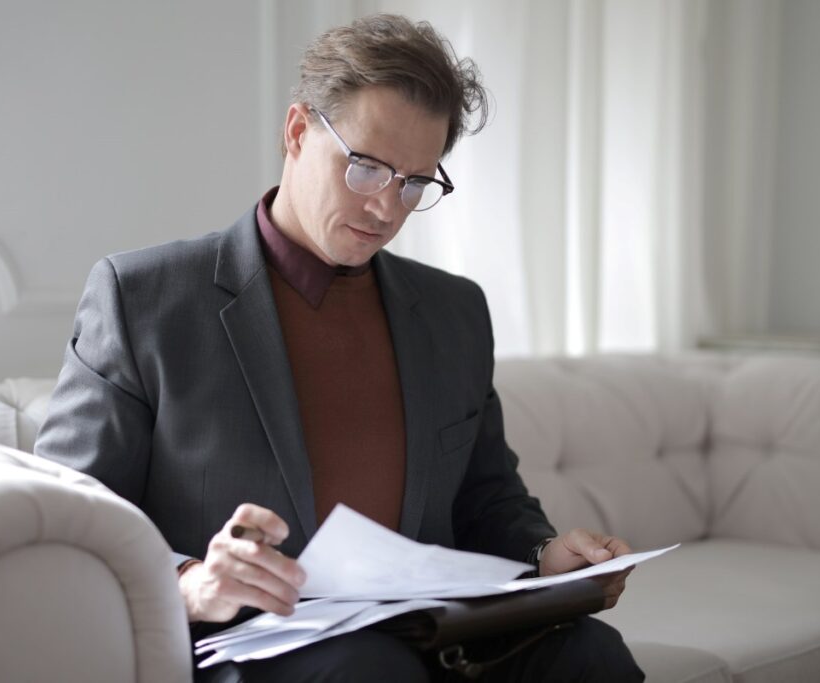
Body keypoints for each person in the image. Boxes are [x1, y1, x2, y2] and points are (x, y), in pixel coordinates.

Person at [35, 13, 644, 682]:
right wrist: (191, 581)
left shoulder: (453, 311)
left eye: (415, 182)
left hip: (429, 633)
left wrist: (547, 553)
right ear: (297, 132)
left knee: (592, 653)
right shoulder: (143, 298)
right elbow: (72, 521)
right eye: (366, 168)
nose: (387, 208)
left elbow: (487, 496)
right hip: (249, 644)